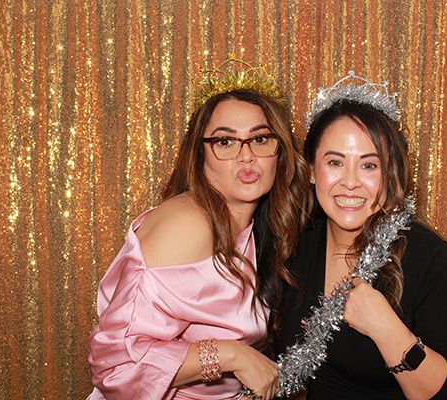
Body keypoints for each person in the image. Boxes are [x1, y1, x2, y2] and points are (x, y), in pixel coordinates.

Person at [88, 62, 308, 400]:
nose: (246, 156)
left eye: (260, 139)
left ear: (280, 151)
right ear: (200, 153)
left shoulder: (260, 225)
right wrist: (231, 356)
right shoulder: (189, 224)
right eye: (226, 141)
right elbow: (116, 365)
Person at [275, 73, 447, 399]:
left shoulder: (430, 259)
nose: (350, 182)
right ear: (311, 170)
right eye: (335, 162)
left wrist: (387, 329)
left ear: (390, 173)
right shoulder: (295, 246)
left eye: (369, 165)